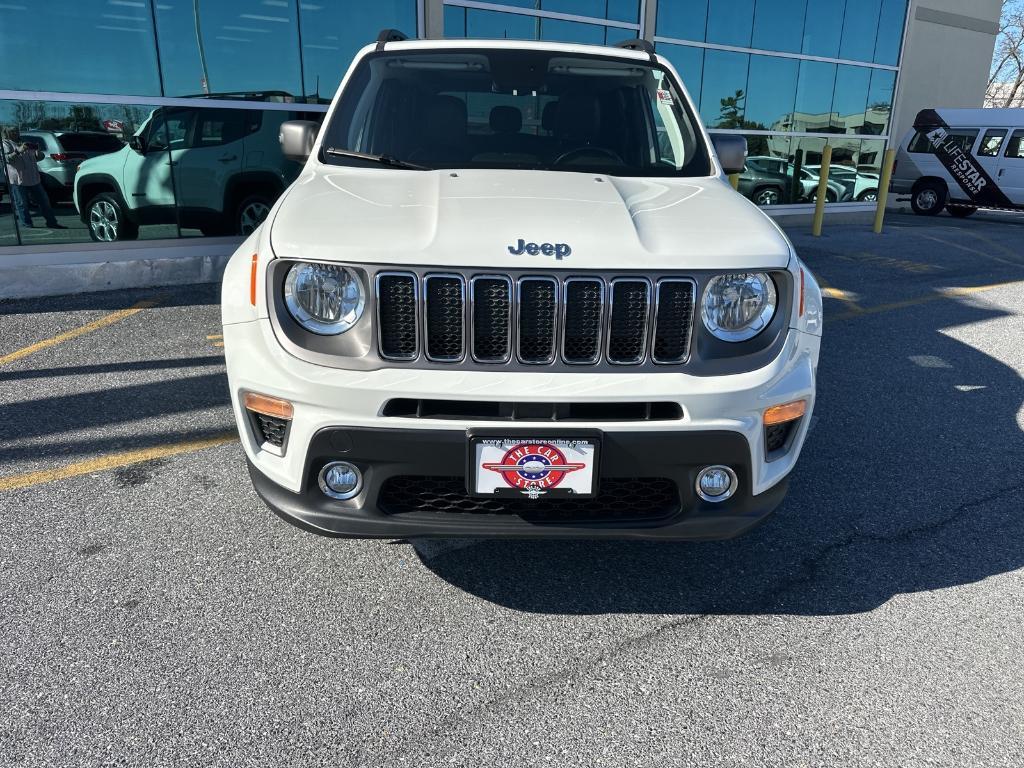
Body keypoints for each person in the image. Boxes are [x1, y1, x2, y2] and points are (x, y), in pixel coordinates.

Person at [1, 126, 64, 229]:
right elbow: (6, 159)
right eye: (12, 131)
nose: (15, 133)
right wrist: (18, 151)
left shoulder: (25, 142)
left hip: (34, 178)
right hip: (17, 179)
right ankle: (27, 224)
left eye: (16, 131)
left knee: (44, 202)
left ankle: (52, 222)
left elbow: (38, 157)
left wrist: (37, 152)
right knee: (22, 203)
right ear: (7, 133)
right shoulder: (5, 144)